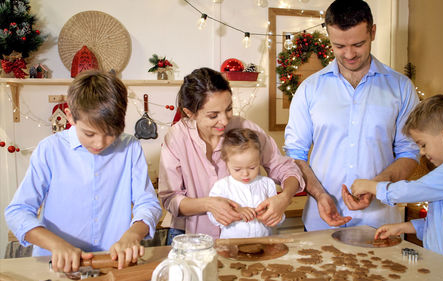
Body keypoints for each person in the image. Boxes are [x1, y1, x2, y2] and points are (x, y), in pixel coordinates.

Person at [5, 70, 162, 272]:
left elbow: (147, 202)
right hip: (56, 267)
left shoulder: (129, 147)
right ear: (70, 117)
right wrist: (56, 244)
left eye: (111, 134)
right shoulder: (50, 149)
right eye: (89, 133)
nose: (99, 143)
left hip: (112, 263)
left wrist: (133, 234)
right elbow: (17, 211)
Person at [284, 0, 420, 231]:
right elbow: (295, 155)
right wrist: (319, 195)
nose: (349, 54)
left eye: (358, 44)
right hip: (320, 224)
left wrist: (376, 186)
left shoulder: (401, 88)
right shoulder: (309, 89)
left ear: (373, 32)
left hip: (381, 225)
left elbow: (409, 153)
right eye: (339, 46)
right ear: (329, 38)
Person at [158, 67, 304, 242]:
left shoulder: (246, 130)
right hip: (193, 237)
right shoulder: (176, 138)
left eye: (228, 109)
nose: (225, 121)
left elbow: (285, 168)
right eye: (213, 115)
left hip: (246, 240)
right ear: (190, 113)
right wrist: (209, 204)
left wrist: (284, 198)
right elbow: (170, 198)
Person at [350, 95, 443, 271]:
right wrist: (403, 227)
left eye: (423, 144)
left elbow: (413, 190)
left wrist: (371, 186)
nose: (422, 152)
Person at [207, 128, 285, 238]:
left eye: (252, 167)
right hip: (232, 247)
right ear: (226, 162)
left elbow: (279, 216)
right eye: (237, 169)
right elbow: (213, 217)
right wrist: (236, 214)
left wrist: (271, 216)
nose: (245, 174)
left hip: (263, 244)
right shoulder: (221, 187)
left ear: (259, 159)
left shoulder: (267, 184)